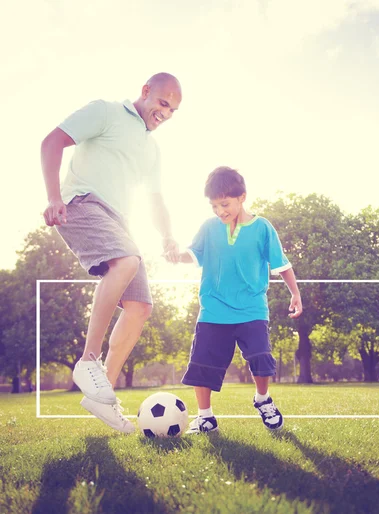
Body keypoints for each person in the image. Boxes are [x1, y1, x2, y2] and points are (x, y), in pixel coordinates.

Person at [41, 73, 183, 433]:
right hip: (82, 203)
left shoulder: (152, 150)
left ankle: (103, 396)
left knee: (140, 307)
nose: (165, 113)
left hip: (119, 220)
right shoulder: (105, 112)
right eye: (163, 103)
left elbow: (155, 199)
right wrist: (54, 197)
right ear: (146, 91)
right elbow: (52, 141)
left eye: (173, 110)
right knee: (128, 259)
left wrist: (167, 235)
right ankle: (89, 361)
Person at [165, 166, 302, 432]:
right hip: (214, 309)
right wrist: (175, 256)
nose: (220, 211)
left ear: (242, 197)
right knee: (201, 363)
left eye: (224, 204)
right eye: (214, 206)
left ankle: (262, 399)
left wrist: (295, 293)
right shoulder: (209, 227)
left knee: (261, 358)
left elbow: (281, 264)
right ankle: (205, 416)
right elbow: (192, 255)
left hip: (252, 308)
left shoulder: (263, 228)